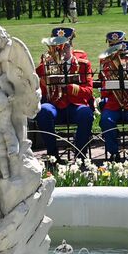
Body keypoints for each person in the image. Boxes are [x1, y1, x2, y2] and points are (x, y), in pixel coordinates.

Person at [34, 27, 94, 158]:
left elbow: (89, 92)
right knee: (44, 110)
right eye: (56, 47)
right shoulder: (46, 64)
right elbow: (38, 87)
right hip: (55, 105)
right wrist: (45, 67)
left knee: (86, 114)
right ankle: (52, 154)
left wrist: (71, 87)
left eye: (65, 46)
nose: (61, 50)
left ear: (71, 46)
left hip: (76, 106)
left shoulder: (83, 65)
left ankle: (80, 153)